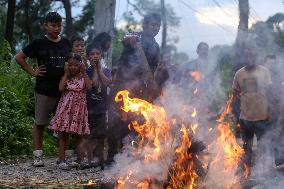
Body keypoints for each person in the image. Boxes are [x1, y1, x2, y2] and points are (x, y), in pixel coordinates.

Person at [15, 12, 71, 167]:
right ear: (45, 25)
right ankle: (38, 156)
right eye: (53, 25)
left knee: (63, 124)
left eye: (59, 25)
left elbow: (72, 62)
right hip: (44, 89)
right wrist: (33, 72)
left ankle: (62, 158)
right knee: (40, 123)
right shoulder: (39, 43)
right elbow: (19, 57)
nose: (57, 28)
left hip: (64, 90)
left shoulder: (66, 43)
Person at [49, 53, 92, 170]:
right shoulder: (66, 77)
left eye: (76, 65)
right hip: (66, 109)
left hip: (79, 111)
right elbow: (61, 88)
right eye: (70, 65)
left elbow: (89, 87)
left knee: (79, 135)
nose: (73, 67)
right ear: (67, 65)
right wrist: (66, 74)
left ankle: (81, 160)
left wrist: (84, 72)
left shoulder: (83, 77)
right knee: (64, 134)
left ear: (80, 65)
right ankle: (62, 160)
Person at [232, 46, 272, 171]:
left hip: (262, 117)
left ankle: (262, 174)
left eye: (253, 56)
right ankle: (247, 173)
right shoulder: (239, 74)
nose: (250, 58)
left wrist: (271, 111)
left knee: (263, 148)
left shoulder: (264, 71)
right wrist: (237, 113)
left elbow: (270, 91)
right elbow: (235, 95)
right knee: (247, 149)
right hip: (245, 119)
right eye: (248, 56)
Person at [84, 43, 112, 169]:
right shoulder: (86, 71)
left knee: (101, 136)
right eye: (92, 54)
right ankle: (90, 159)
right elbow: (94, 85)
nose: (95, 56)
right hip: (89, 108)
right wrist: (94, 69)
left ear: (101, 55)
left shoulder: (106, 71)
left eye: (97, 54)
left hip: (101, 108)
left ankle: (101, 159)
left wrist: (99, 70)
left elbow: (107, 83)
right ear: (88, 57)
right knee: (89, 135)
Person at [262, 54, 284, 168]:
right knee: (267, 139)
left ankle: (279, 163)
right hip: (264, 114)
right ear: (264, 63)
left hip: (278, 112)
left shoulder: (278, 77)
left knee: (279, 137)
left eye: (273, 63)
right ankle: (265, 167)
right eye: (269, 63)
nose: (272, 65)